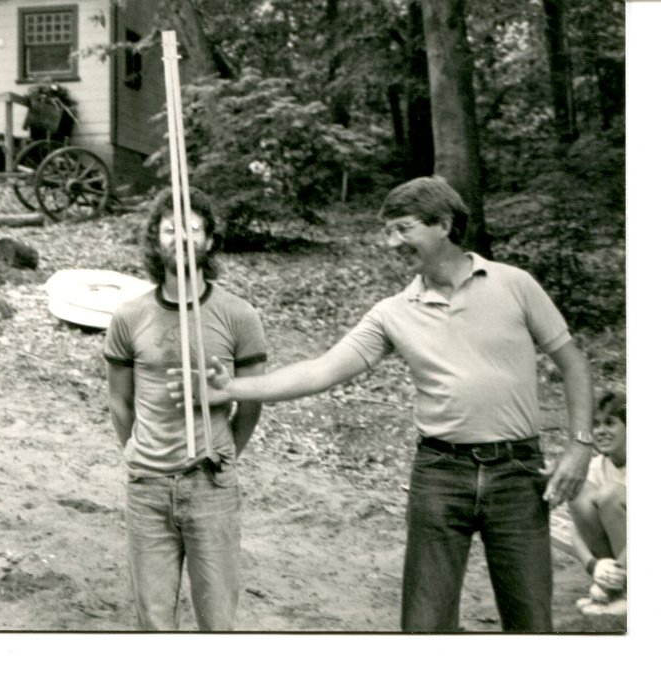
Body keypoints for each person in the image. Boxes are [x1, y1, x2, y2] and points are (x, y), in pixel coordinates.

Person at [174, 176, 593, 632]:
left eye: (401, 228)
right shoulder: (393, 312)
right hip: (440, 474)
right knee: (424, 627)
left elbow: (573, 365)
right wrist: (230, 389)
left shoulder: (515, 284)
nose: (390, 242)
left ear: (443, 225)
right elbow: (322, 370)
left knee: (532, 624)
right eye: (387, 230)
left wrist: (580, 445)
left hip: (517, 474)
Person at [104, 188, 267, 630]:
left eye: (193, 228)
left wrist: (227, 447)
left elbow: (251, 399)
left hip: (210, 482)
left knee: (217, 621)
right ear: (156, 240)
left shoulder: (238, 315)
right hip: (148, 489)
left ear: (209, 241)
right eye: (170, 228)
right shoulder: (129, 315)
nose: (181, 236)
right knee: (154, 623)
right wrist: (140, 451)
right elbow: (119, 400)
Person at [569, 391, 626, 617]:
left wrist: (610, 577)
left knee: (611, 495)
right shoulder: (597, 465)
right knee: (578, 490)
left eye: (610, 423)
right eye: (596, 425)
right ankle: (616, 592)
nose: (601, 431)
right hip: (623, 557)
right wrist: (594, 566)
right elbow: (576, 529)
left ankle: (628, 593)